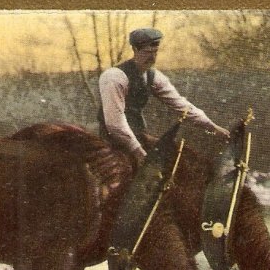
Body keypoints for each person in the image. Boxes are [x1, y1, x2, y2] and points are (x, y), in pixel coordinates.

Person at [98, 27, 230, 168]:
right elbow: (114, 123)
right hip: (112, 141)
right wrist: (138, 151)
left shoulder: (153, 77)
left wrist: (211, 126)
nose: (152, 57)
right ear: (135, 49)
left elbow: (180, 104)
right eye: (147, 52)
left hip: (139, 136)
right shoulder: (115, 77)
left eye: (155, 52)